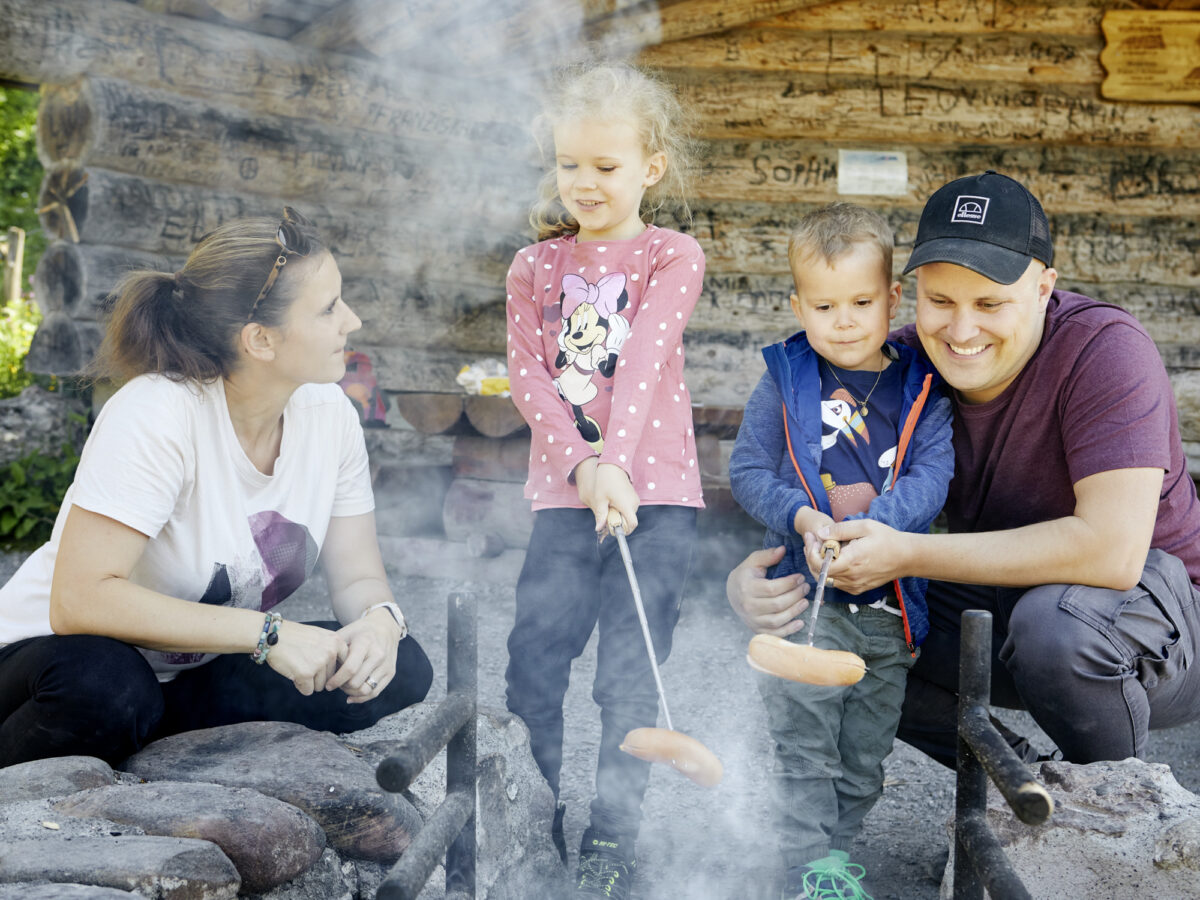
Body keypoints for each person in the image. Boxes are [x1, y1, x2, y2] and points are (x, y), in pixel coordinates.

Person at [728, 170, 1200, 773]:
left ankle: (1109, 819)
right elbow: (789, 471)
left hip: (1154, 629)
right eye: (941, 301)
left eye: (990, 303)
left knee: (1055, 625)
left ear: (1043, 287)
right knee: (854, 625)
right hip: (1009, 602)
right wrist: (765, 578)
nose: (961, 330)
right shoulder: (894, 367)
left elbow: (1111, 553)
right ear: (911, 291)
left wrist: (904, 555)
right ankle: (1023, 785)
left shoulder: (1105, 350)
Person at [0, 208, 433, 769]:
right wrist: (270, 635)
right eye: (329, 308)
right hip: (48, 663)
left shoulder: (330, 416)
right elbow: (78, 599)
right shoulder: (158, 413)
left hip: (190, 677)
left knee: (399, 669)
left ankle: (147, 742)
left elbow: (357, 575)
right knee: (106, 687)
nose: (352, 320)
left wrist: (379, 622)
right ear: (260, 340)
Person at [503, 61, 704, 899]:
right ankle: (533, 815)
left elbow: (647, 360)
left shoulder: (672, 255)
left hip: (656, 499)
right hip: (563, 496)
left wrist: (616, 466)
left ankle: (612, 835)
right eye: (569, 164)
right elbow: (528, 376)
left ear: (651, 166)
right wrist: (585, 467)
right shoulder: (533, 266)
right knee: (533, 662)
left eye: (606, 167)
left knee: (628, 674)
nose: (584, 183)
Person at [729, 203, 953, 900]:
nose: (845, 320)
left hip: (888, 609)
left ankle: (838, 851)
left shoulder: (922, 386)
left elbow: (933, 475)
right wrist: (799, 516)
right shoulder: (785, 379)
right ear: (798, 304)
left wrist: (880, 528)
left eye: (862, 302)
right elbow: (748, 472)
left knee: (862, 754)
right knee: (804, 746)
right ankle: (805, 866)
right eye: (824, 305)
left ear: (891, 298)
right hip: (807, 601)